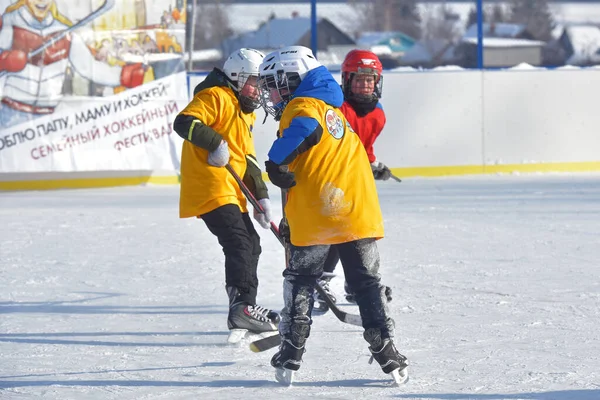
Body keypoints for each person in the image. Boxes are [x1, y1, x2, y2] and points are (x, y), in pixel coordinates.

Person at [257, 45, 408, 384]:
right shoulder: (333, 109)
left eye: (272, 84)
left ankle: (292, 348)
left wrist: (274, 160)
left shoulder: (303, 105)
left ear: (292, 79)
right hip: (357, 213)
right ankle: (385, 348)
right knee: (366, 284)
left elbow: (305, 130)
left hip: (319, 214)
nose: (269, 93)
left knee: (300, 279)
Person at [172, 48, 279, 343]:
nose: (258, 90)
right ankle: (242, 308)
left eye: (261, 84)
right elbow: (185, 122)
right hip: (210, 185)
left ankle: (243, 306)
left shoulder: (246, 115)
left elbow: (249, 159)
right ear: (236, 76)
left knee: (251, 244)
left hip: (230, 190)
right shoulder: (216, 96)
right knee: (239, 242)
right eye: (254, 82)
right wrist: (214, 141)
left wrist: (261, 197)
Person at [314, 50, 393, 313]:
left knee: (363, 228)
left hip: (356, 181)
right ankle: (322, 279)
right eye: (358, 79)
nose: (364, 84)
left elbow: (364, 148)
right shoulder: (337, 109)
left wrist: (374, 165)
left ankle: (356, 283)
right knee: (338, 229)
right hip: (331, 179)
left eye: (369, 79)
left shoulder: (378, 115)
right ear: (346, 80)